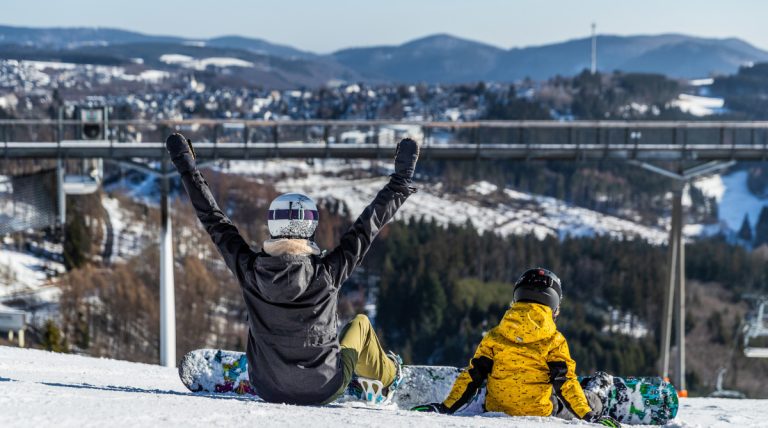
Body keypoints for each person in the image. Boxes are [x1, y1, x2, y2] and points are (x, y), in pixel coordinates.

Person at [165, 132, 419, 405]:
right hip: (325, 386)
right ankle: (392, 375)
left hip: (266, 386)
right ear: (309, 230)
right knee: (360, 325)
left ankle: (276, 365)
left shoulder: (250, 270)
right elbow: (368, 226)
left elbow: (213, 219)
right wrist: (400, 181)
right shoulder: (327, 272)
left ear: (273, 227)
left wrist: (186, 167)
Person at [412, 268, 621, 427]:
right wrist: (589, 417)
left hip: (496, 408)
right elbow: (564, 383)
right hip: (539, 411)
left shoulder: (495, 335)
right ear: (555, 306)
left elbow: (472, 377)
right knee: (583, 398)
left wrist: (445, 408)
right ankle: (598, 393)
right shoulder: (554, 340)